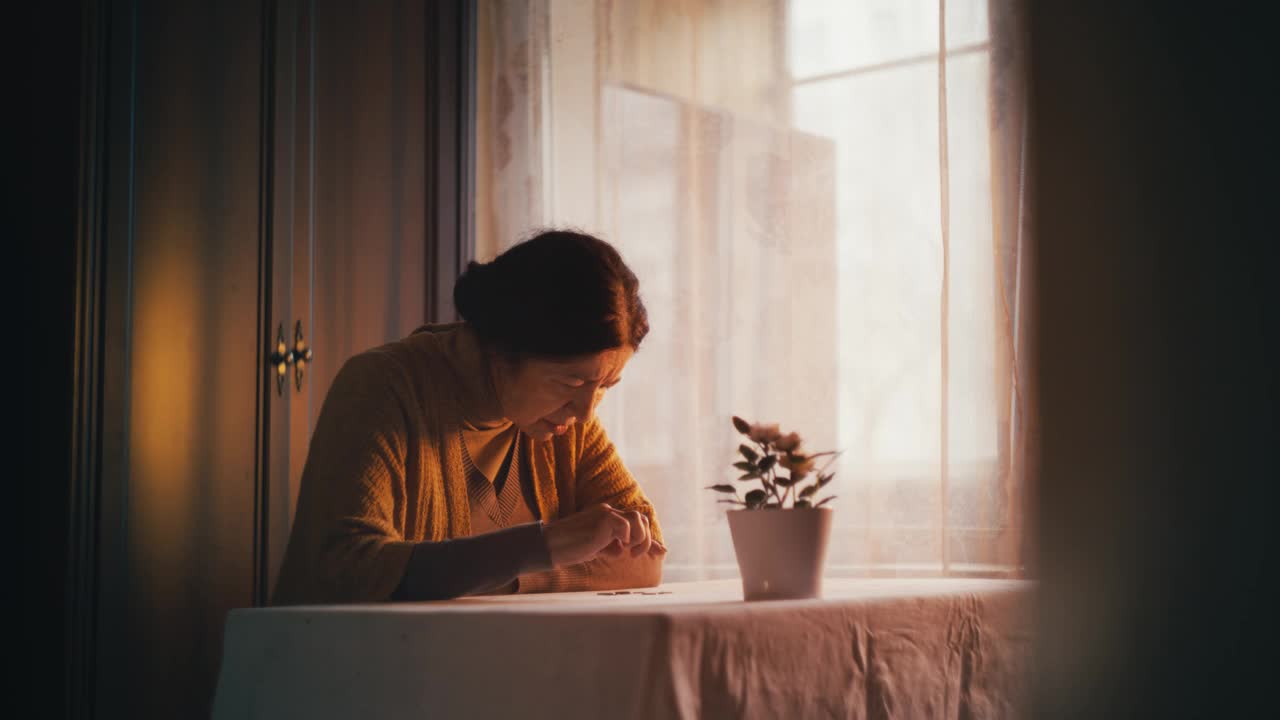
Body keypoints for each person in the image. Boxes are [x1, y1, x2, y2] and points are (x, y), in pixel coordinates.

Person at [272, 230, 666, 604]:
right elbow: (347, 568)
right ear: (502, 345)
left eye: (604, 387)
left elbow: (645, 556)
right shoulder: (382, 387)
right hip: (344, 665)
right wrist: (545, 546)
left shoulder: (566, 426)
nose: (585, 412)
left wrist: (514, 576)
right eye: (570, 382)